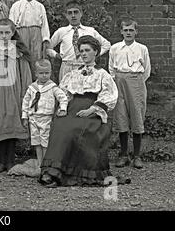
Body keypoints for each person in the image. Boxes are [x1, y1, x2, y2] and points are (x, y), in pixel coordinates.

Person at [39, 35, 118, 187]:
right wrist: (62, 108)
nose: (83, 54)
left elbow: (109, 96)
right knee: (59, 126)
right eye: (81, 51)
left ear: (96, 52)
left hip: (92, 110)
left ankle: (69, 172)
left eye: (87, 50)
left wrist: (92, 109)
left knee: (75, 129)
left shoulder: (103, 75)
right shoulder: (73, 74)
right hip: (72, 108)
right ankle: (52, 171)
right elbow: (64, 94)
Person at [0, 19, 33, 173]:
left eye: (7, 33)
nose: (4, 36)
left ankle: (10, 160)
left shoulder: (18, 52)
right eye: (1, 32)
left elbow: (26, 75)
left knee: (12, 121)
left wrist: (25, 95)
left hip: (14, 91)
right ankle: (1, 160)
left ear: (13, 33)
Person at [109, 18, 151, 169]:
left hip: (136, 82)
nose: (128, 33)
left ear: (136, 32)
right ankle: (123, 154)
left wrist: (135, 81)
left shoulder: (142, 49)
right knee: (121, 117)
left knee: (137, 116)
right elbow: (111, 69)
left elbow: (146, 70)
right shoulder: (115, 48)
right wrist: (118, 81)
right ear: (121, 31)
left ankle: (137, 156)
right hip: (119, 81)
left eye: (131, 30)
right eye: (125, 30)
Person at [47, 0, 111, 82]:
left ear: (81, 14)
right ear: (66, 15)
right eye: (70, 13)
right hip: (67, 66)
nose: (73, 15)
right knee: (66, 91)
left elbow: (106, 44)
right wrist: (56, 55)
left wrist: (95, 54)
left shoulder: (90, 31)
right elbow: (48, 47)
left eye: (76, 12)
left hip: (85, 65)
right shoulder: (61, 31)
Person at [21, 59, 68, 165]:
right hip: (33, 117)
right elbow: (26, 102)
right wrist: (25, 116)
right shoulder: (32, 88)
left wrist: (63, 109)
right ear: (36, 74)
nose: (44, 76)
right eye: (41, 73)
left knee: (45, 141)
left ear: (50, 72)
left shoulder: (53, 87)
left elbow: (63, 98)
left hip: (46, 118)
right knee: (36, 140)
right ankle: (39, 162)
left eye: (47, 73)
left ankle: (46, 163)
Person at [8, 0, 50, 79]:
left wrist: (45, 39)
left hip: (36, 35)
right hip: (21, 34)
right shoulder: (16, 6)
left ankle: (36, 85)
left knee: (35, 59)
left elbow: (44, 25)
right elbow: (11, 25)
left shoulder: (40, 6)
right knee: (22, 60)